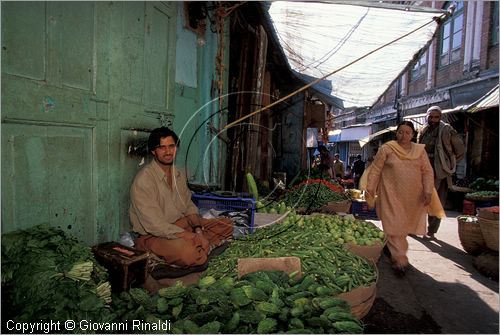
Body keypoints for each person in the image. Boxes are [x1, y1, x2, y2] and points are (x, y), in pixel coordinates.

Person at [129, 127, 233, 268]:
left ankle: (200, 246)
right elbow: (155, 226)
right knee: (188, 253)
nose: (168, 152)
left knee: (227, 225)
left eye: (171, 146)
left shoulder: (178, 174)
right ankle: (198, 247)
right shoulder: (144, 180)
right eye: (162, 148)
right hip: (154, 235)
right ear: (154, 151)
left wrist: (197, 230)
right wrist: (190, 236)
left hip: (180, 224)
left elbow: (188, 205)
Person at [364, 121, 444, 276]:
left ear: (413, 135)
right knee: (393, 226)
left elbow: (427, 171)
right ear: (396, 133)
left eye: (408, 132)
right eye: (401, 132)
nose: (404, 135)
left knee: (402, 229)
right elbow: (375, 170)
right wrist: (370, 191)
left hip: (412, 197)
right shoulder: (387, 149)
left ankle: (394, 250)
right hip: (390, 194)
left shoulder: (420, 151)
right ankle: (400, 260)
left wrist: (428, 191)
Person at [417, 106, 465, 238]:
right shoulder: (423, 129)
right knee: (419, 199)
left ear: (440, 117)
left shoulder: (447, 129)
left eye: (436, 117)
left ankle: (431, 230)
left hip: (439, 171)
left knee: (436, 201)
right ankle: (416, 227)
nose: (433, 119)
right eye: (430, 117)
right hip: (422, 169)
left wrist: (449, 163)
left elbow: (460, 150)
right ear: (427, 117)